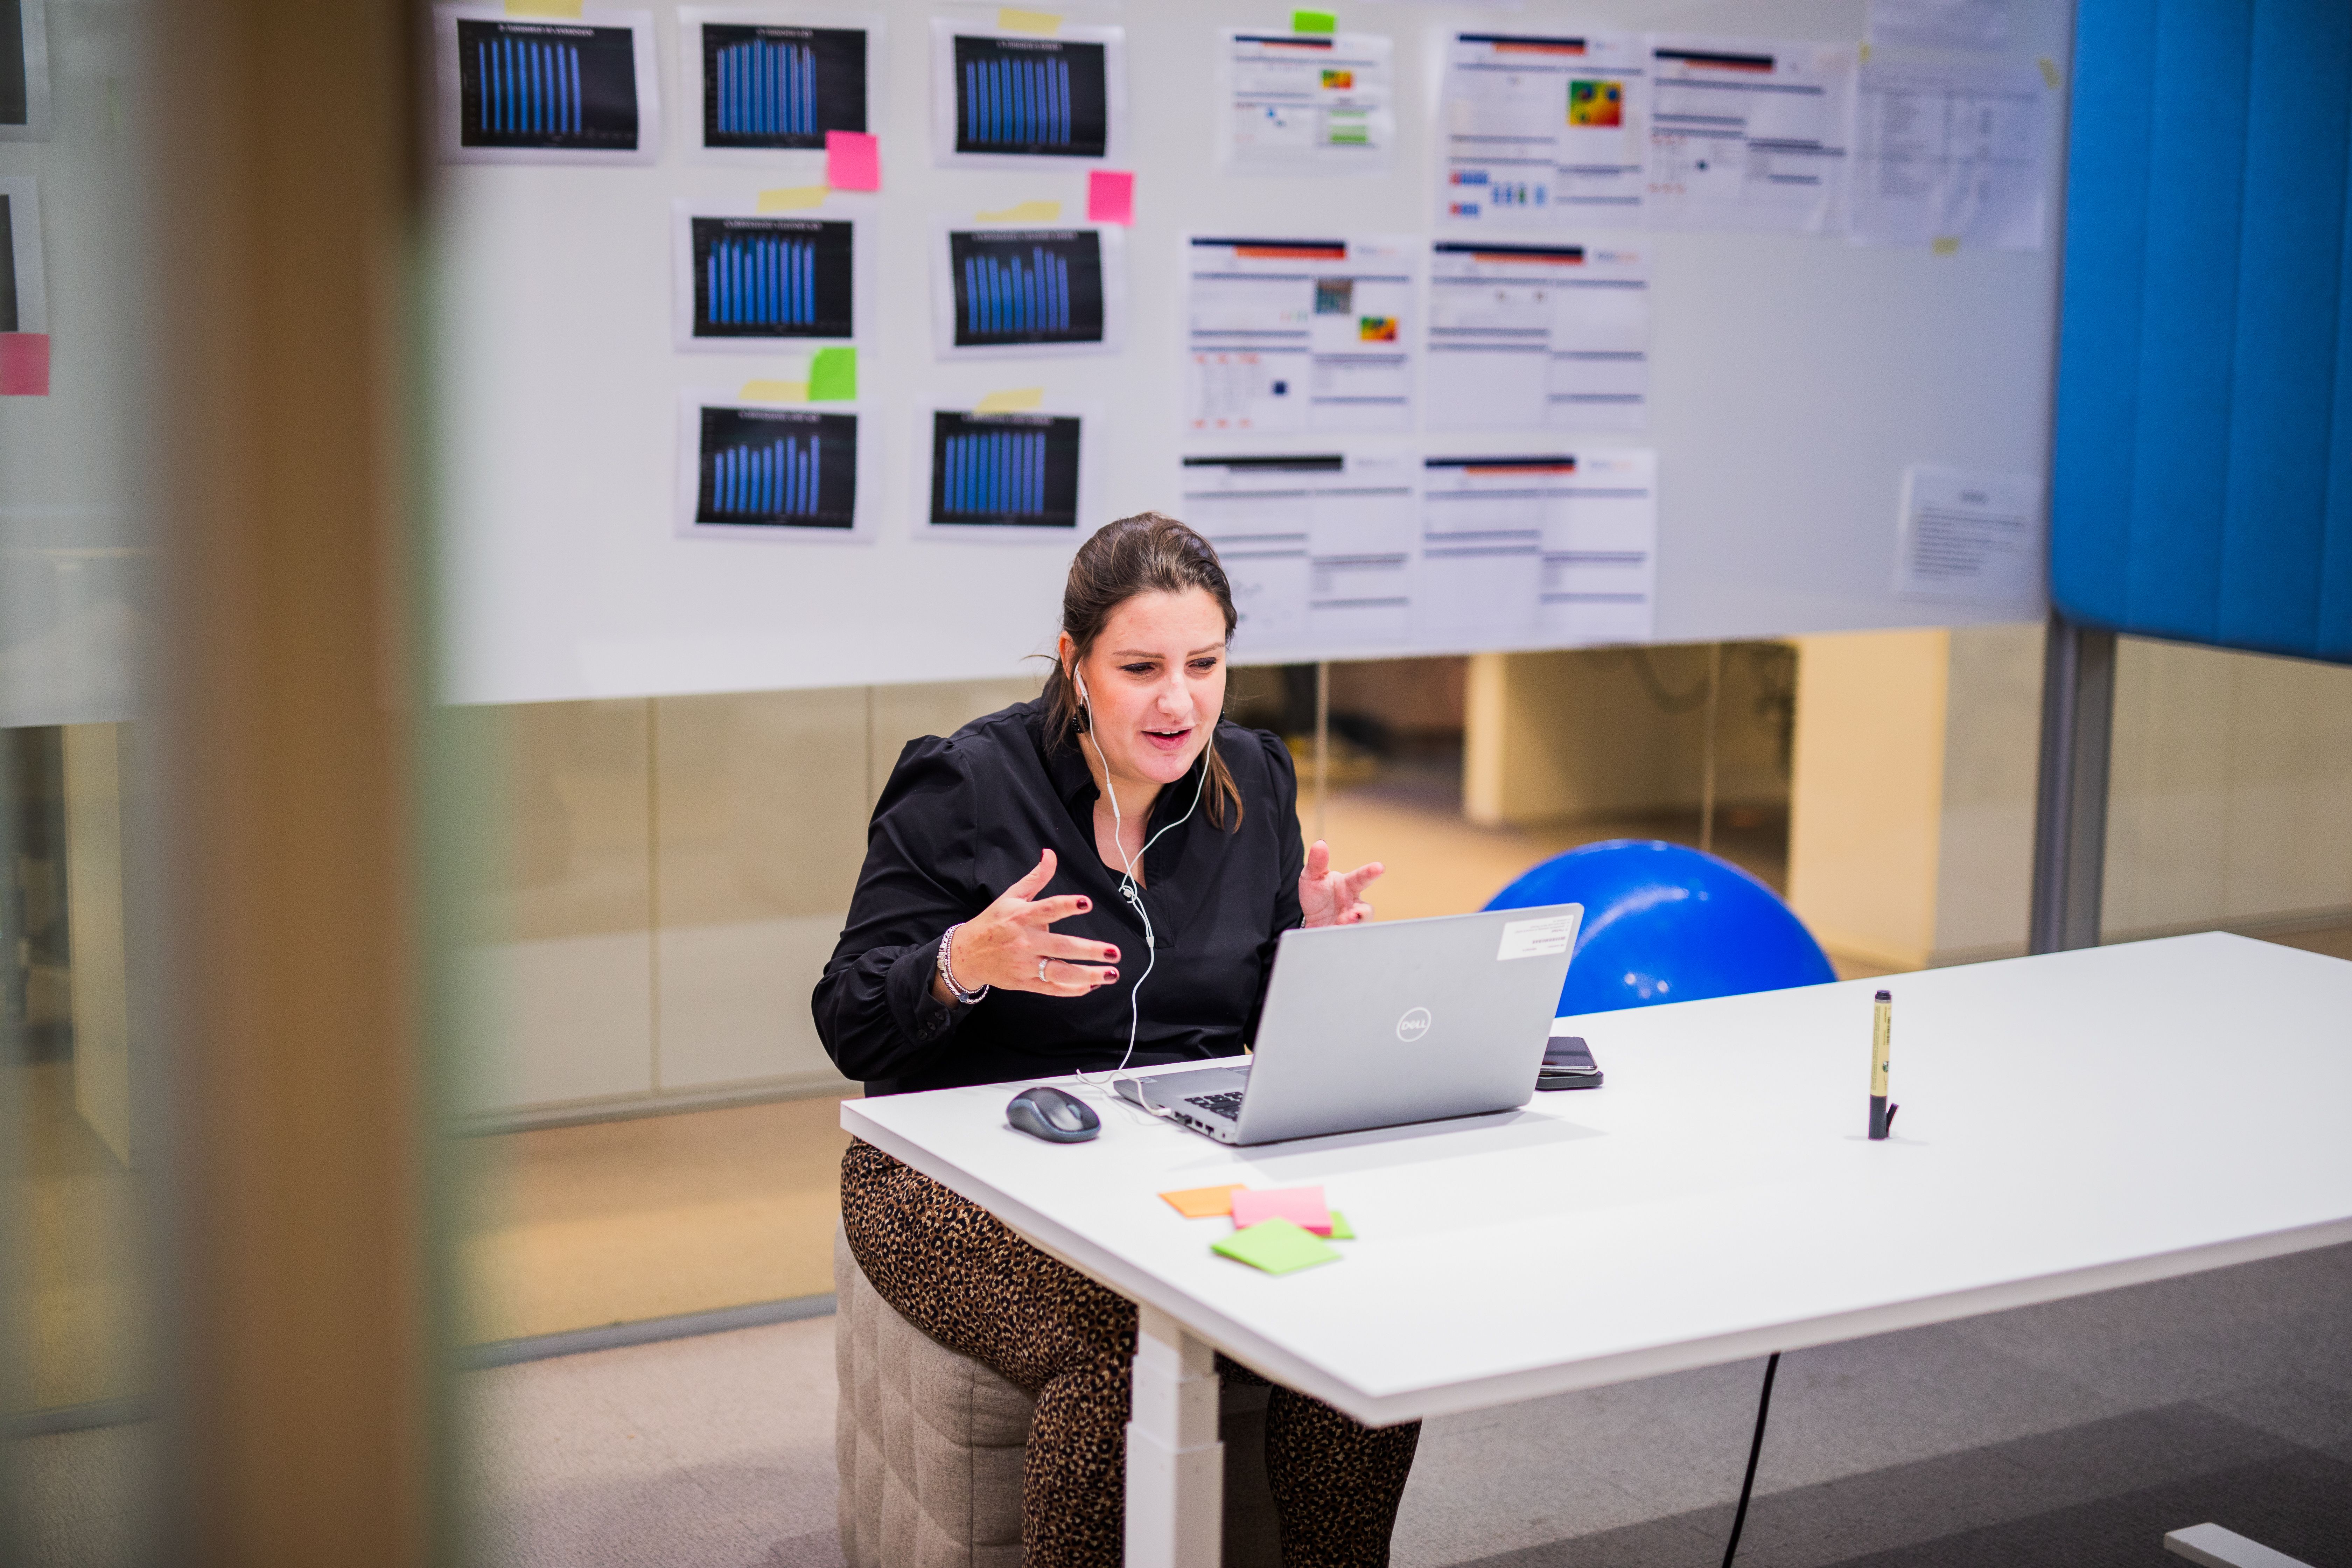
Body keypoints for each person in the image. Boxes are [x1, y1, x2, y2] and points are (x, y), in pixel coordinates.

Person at [815, 512, 1419, 1566]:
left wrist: (1308, 950)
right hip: (948, 1172)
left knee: (1361, 1310)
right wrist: (963, 960)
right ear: (1074, 664)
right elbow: (848, 1014)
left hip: (1178, 1152)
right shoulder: (966, 785)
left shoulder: (1254, 781)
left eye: (1205, 663)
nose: (1179, 701)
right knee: (1119, 1361)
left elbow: (1258, 1026)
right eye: (1141, 667)